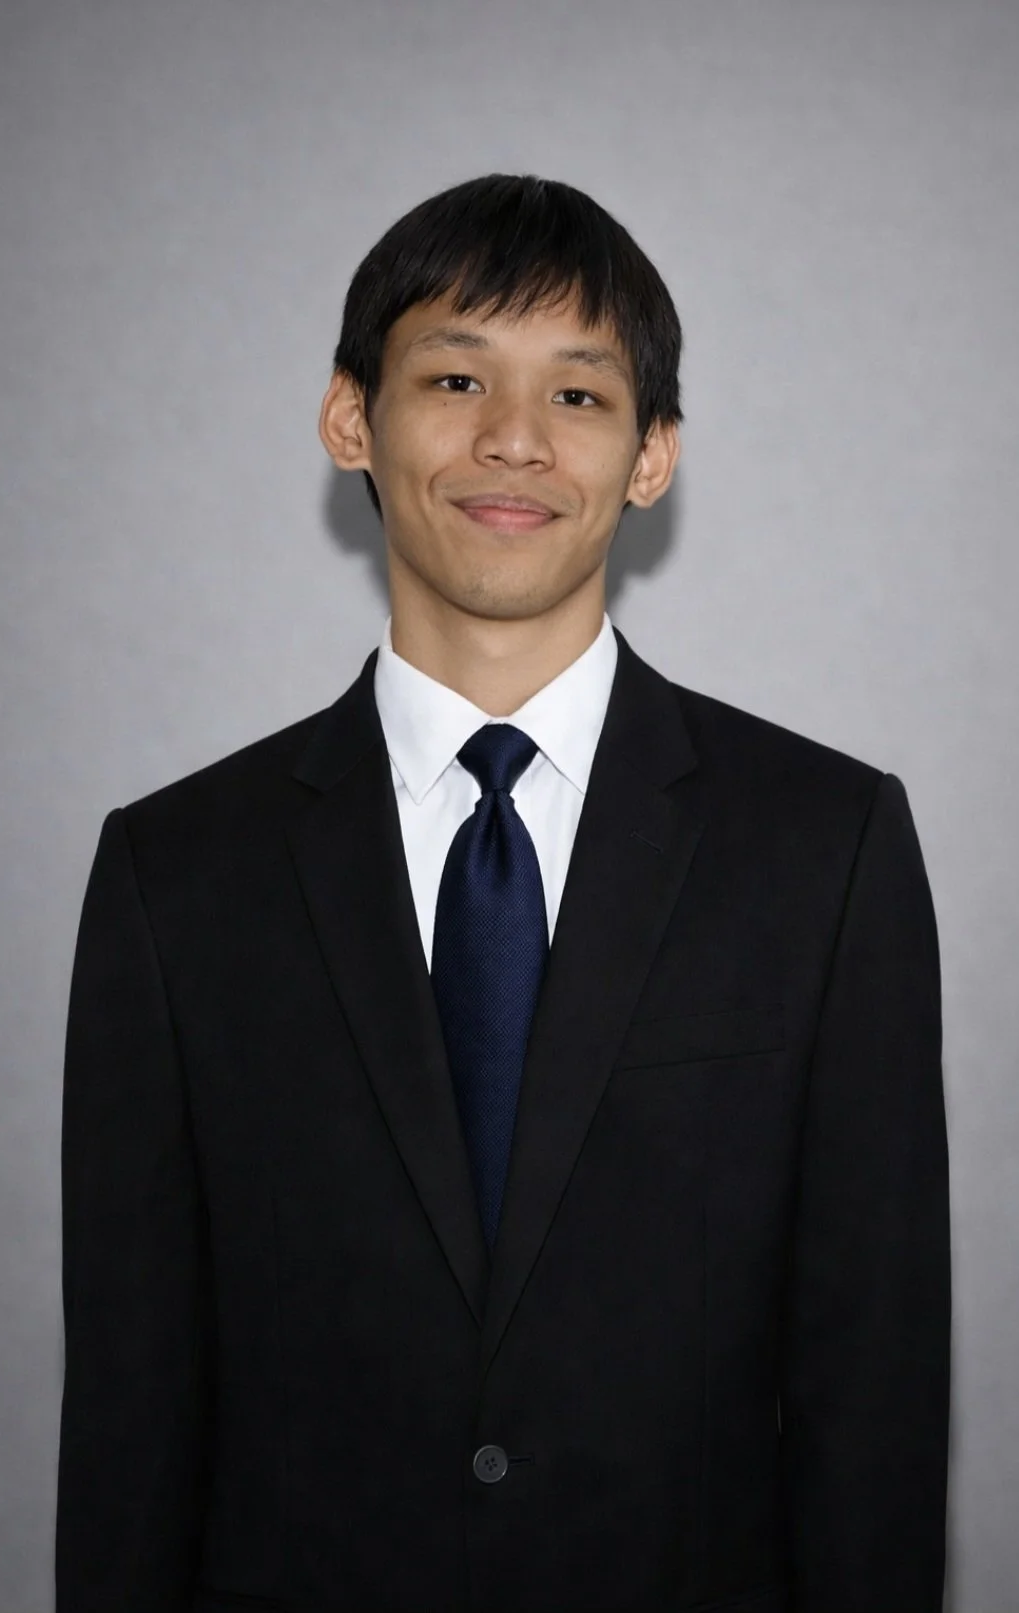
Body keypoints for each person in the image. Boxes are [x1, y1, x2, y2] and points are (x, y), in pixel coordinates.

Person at [55, 174, 950, 1613]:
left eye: (580, 397)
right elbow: (130, 1414)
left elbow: (876, 1397)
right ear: (351, 416)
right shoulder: (177, 874)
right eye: (455, 375)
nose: (512, 440)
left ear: (652, 454)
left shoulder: (823, 845)